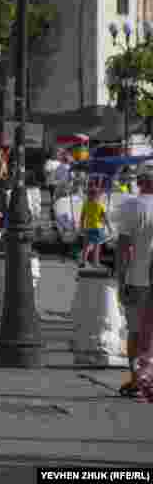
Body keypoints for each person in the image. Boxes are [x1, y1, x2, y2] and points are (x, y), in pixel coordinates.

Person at [116, 166, 153, 397]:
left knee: (135, 331)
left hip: (137, 279)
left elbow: (123, 247)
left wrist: (120, 279)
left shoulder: (132, 206)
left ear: (140, 183)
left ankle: (137, 380)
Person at [81, 181, 108, 267]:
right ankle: (95, 262)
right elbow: (104, 217)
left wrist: (81, 227)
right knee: (97, 247)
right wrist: (108, 227)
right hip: (97, 228)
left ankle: (83, 261)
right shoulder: (99, 205)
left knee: (86, 246)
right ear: (97, 196)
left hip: (88, 228)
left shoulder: (85, 204)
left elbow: (82, 217)